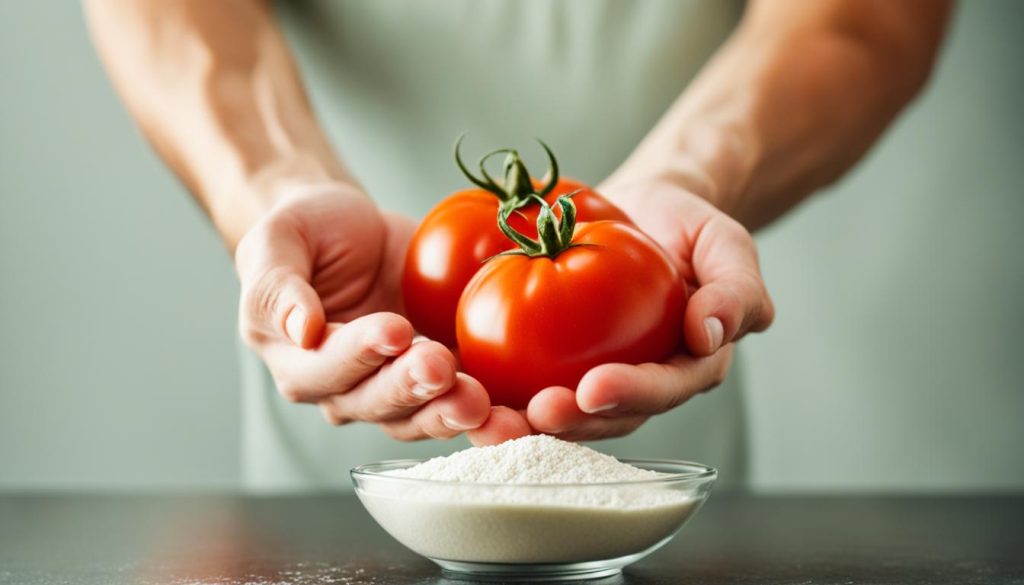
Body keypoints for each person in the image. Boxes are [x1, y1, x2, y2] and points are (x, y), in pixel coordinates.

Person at [85, 0, 950, 491]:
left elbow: (866, 18)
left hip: (657, 439)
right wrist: (277, 187)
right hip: (337, 380)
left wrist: (688, 181)